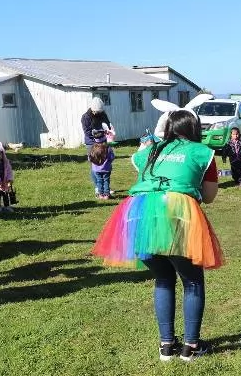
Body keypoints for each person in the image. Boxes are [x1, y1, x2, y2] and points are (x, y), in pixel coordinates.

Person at [92, 110, 223, 362]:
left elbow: (140, 168)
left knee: (163, 279)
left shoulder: (150, 150)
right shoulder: (202, 152)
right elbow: (208, 196)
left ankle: (166, 346)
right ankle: (191, 347)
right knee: (192, 281)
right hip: (178, 214)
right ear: (195, 128)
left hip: (138, 215)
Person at [80, 97, 114, 195]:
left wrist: (108, 133)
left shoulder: (102, 114)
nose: (96, 113)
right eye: (95, 111)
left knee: (105, 164)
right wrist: (96, 139)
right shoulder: (85, 117)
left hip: (103, 141)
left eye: (98, 112)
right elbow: (87, 131)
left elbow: (107, 125)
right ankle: (97, 187)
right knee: (95, 164)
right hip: (91, 142)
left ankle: (105, 188)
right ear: (92, 109)